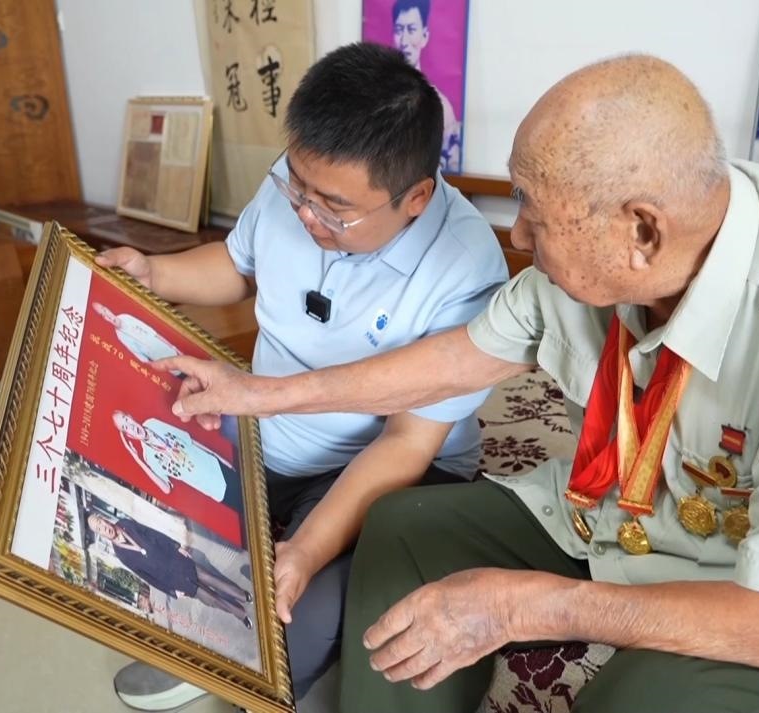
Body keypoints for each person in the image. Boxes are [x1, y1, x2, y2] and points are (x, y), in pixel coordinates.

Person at [165, 54, 759, 713]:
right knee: (402, 525)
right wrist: (257, 394)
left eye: (532, 209)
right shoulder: (600, 248)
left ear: (641, 231)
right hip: (622, 512)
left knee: (634, 698)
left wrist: (523, 606)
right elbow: (454, 359)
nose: (517, 233)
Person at [97, 42, 507, 709]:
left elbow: (406, 443)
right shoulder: (300, 184)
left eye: (335, 209)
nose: (307, 215)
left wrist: (309, 550)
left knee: (291, 621)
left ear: (415, 197)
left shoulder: (465, 267)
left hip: (382, 461)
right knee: (135, 497)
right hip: (261, 431)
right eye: (297, 188)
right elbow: (237, 265)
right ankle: (203, 639)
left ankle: (248, 651)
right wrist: (154, 272)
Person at [86, 512, 253, 628]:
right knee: (211, 600)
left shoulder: (125, 524)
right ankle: (241, 614)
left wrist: (176, 546)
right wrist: (172, 592)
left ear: (105, 520)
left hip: (177, 561)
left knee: (212, 579)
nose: (104, 528)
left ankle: (243, 596)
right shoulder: (121, 554)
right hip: (173, 581)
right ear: (100, 534)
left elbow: (154, 534)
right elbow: (148, 578)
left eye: (101, 523)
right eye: (99, 529)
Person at [393, 0, 463, 173]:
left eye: (411, 30)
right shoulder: (375, 98)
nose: (404, 40)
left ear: (424, 36)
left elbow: (451, 165)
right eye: (399, 30)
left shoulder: (441, 106)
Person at [112, 410, 231, 506]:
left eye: (126, 419)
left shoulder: (152, 423)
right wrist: (137, 458)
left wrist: (218, 457)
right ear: (129, 435)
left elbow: (189, 440)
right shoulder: (148, 457)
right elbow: (166, 489)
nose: (131, 426)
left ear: (131, 417)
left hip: (216, 465)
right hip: (214, 489)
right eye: (125, 427)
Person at [92, 302, 182, 364]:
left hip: (170, 351)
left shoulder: (126, 317)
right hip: (163, 363)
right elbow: (142, 358)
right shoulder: (120, 336)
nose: (108, 316)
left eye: (105, 310)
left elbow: (154, 334)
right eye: (103, 316)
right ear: (104, 320)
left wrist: (174, 348)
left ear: (108, 308)